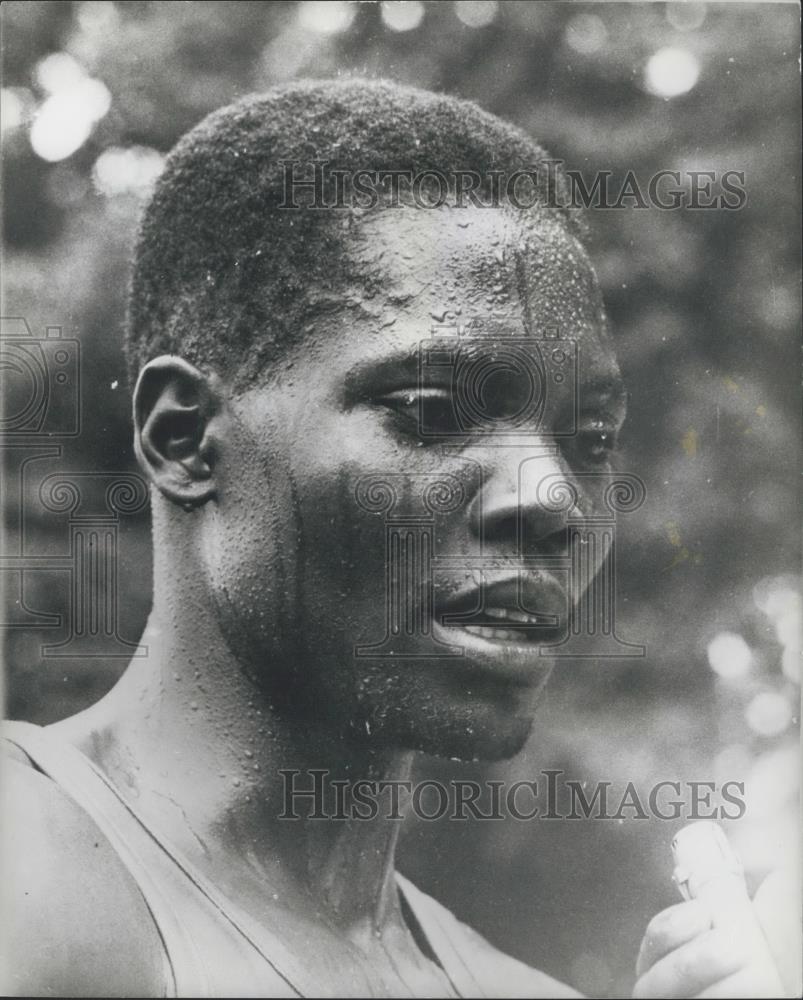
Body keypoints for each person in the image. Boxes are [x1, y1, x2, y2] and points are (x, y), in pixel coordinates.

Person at [2, 79, 792, 998]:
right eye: (430, 410)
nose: (554, 500)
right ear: (183, 440)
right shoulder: (30, 870)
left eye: (590, 443)